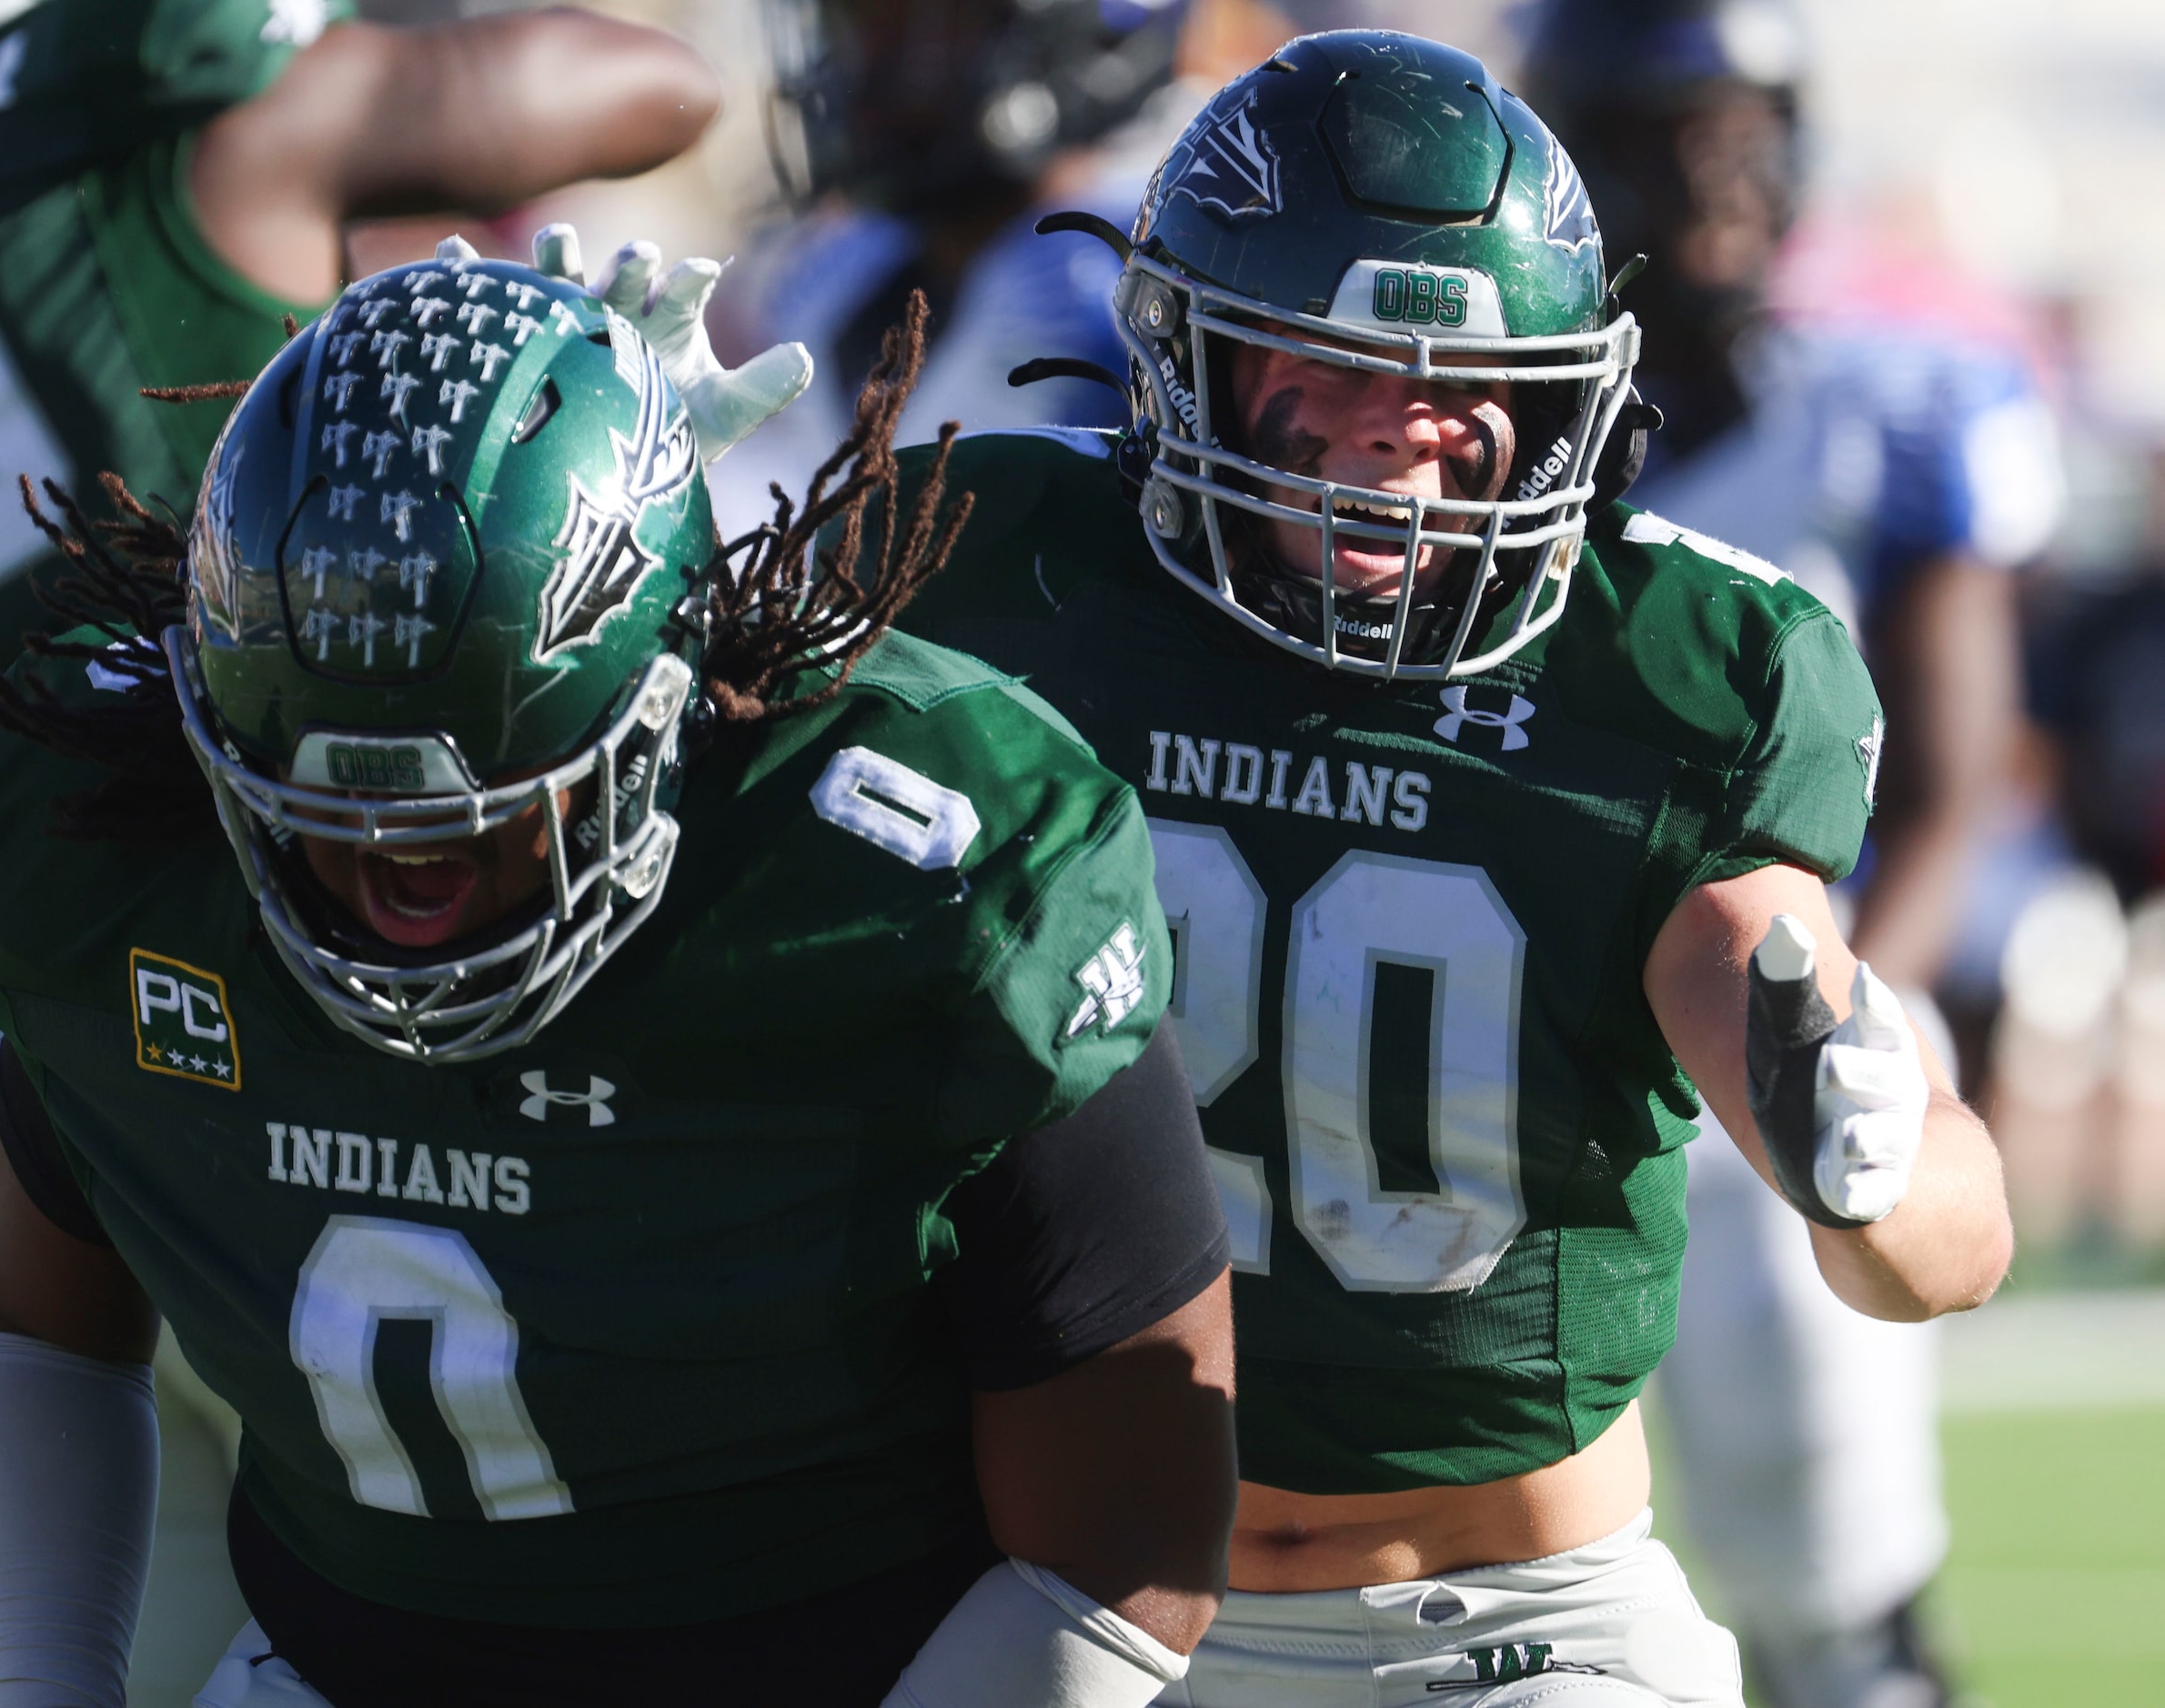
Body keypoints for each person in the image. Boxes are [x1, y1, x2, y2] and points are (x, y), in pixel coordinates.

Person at [0, 246, 1235, 1708]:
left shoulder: (910, 894)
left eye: (477, 817)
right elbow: (34, 1322)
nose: (393, 894)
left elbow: (1129, 1553)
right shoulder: (114, 845)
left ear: (665, 703)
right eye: (315, 817)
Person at [871, 29, 2012, 1704]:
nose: (1394, 436)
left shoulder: (1665, 676)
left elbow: (1937, 1248)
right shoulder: (994, 580)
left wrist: (1878, 1163)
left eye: (1460, 391)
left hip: (1504, 1622)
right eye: (1322, 370)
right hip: (1060, 1592)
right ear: (1189, 352)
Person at [0, 2, 720, 1701]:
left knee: (70, 1660)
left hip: (8, 1097)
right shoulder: (127, 73)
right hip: (370, 989)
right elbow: (655, 85)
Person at [1520, 5, 2062, 1701]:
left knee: (1828, 1580)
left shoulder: (1881, 405)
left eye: (1741, 123)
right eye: (1666, 131)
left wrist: (1837, 1026)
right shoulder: (1501, 424)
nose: (1715, 174)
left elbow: (1956, 782)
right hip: (1528, 1043)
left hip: (1784, 1026)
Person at [709, 0, 1190, 534]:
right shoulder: (842, 280)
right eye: (854, 26)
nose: (864, 67)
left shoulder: (1126, 274)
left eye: (917, 25)